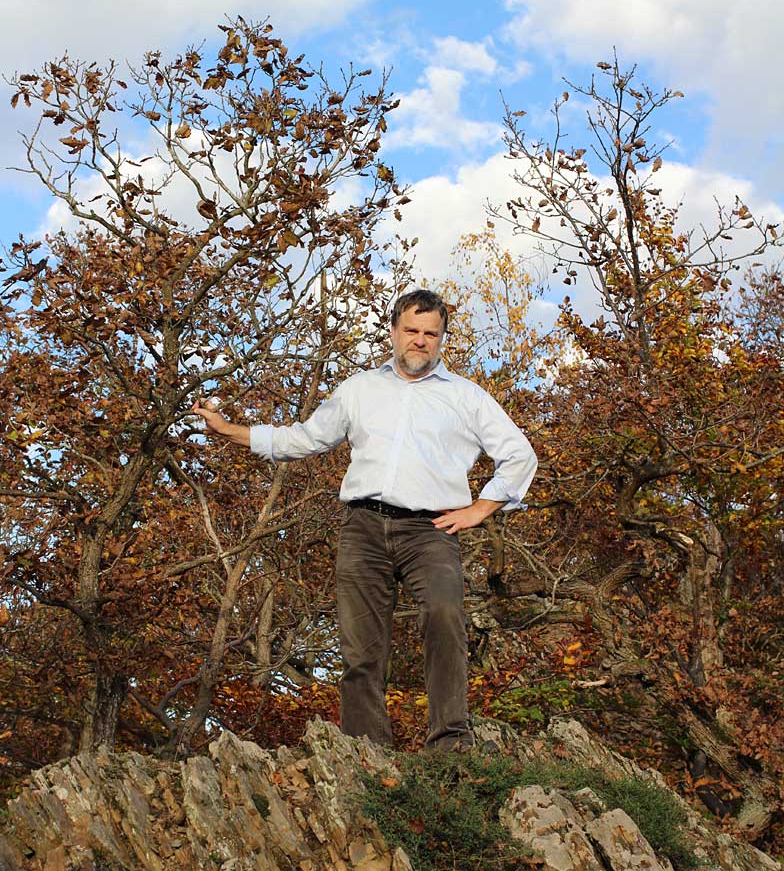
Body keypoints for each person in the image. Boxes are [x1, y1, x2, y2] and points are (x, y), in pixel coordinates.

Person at [194, 288, 537, 751]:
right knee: (360, 647)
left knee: (444, 614)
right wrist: (231, 430)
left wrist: (482, 508)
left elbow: (519, 455)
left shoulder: (468, 398)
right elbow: (306, 438)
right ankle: (366, 750)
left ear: (442, 339)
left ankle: (450, 742)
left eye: (430, 334)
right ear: (393, 332)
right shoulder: (359, 389)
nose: (420, 341)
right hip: (363, 528)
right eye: (411, 331)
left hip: (431, 531)